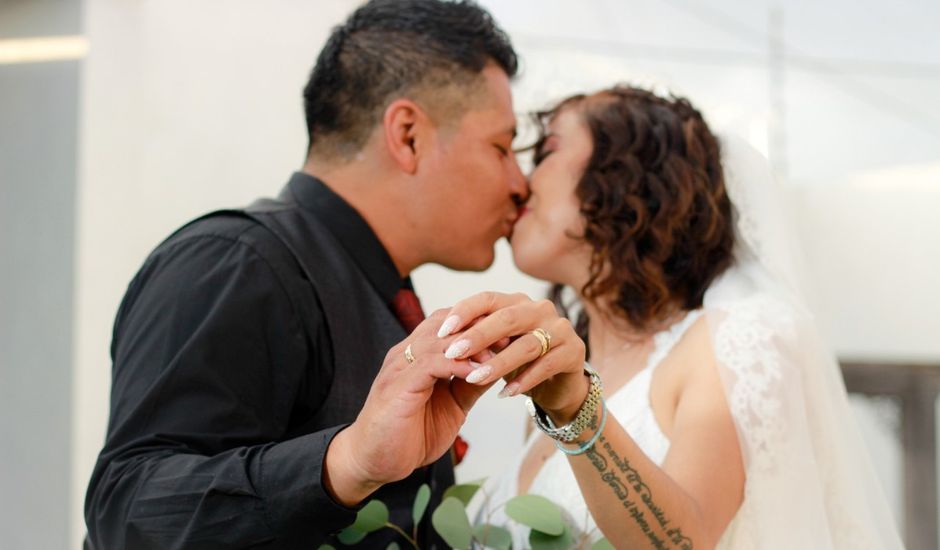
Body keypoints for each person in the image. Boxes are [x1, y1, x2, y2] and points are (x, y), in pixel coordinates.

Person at [83, 1, 533, 547]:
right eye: (502, 147)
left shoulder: (380, 288)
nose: (519, 183)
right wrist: (344, 461)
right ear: (408, 135)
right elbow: (127, 511)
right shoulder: (236, 262)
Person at [433, 86, 903, 548]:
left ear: (625, 179)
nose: (520, 183)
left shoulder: (738, 336)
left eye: (548, 151)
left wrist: (578, 412)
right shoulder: (552, 384)